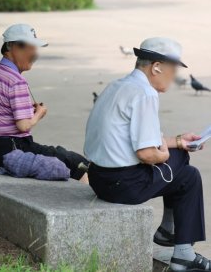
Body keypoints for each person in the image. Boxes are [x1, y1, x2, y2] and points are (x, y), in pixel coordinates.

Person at [84, 37, 209, 272]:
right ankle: (171, 236)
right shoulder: (145, 94)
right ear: (157, 67)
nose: (173, 78)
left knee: (188, 176)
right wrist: (166, 154)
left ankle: (180, 249)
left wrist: (179, 141)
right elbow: (147, 153)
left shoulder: (117, 86)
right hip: (123, 185)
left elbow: (141, 140)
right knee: (181, 160)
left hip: (99, 178)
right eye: (173, 70)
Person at [0, 24, 89, 182]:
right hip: (10, 149)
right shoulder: (16, 80)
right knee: (75, 162)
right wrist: (38, 114)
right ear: (14, 47)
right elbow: (23, 126)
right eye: (32, 49)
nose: (35, 54)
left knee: (59, 155)